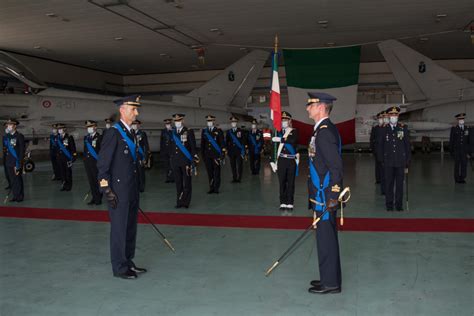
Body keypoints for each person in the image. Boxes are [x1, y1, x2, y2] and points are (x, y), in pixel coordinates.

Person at [97, 94, 146, 279]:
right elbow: (102, 166)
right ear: (122, 110)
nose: (136, 112)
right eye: (133, 109)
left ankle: (128, 262)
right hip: (117, 192)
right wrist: (106, 190)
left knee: (130, 227)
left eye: (136, 109)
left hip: (130, 189)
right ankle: (119, 267)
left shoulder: (130, 133)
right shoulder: (113, 133)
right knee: (119, 229)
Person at [306, 92, 343, 294]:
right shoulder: (321, 130)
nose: (307, 108)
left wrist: (332, 197)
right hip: (322, 195)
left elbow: (336, 168)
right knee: (324, 238)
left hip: (325, 197)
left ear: (321, 107)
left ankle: (331, 284)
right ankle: (328, 278)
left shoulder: (325, 132)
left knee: (327, 239)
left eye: (311, 105)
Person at [377, 106, 411, 211]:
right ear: (388, 116)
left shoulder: (402, 128)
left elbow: (407, 145)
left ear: (398, 116)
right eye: (392, 115)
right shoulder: (383, 130)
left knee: (400, 185)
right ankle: (389, 205)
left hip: (400, 162)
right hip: (388, 162)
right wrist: (381, 160)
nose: (394, 117)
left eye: (395, 115)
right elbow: (380, 146)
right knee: (389, 184)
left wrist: (408, 160)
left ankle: (399, 205)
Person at [272, 111, 299, 213]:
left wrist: (280, 139)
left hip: (291, 160)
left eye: (285, 120)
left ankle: (290, 202)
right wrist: (272, 161)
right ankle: (282, 202)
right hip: (282, 160)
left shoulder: (294, 131)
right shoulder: (277, 132)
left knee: (290, 183)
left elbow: (292, 140)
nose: (283, 122)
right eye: (282, 120)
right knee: (282, 182)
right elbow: (273, 148)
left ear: (289, 121)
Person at [170, 113, 199, 208]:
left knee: (187, 182)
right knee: (178, 183)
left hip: (186, 161)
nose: (177, 122)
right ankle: (179, 201)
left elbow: (193, 147)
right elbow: (171, 148)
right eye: (176, 121)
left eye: (179, 121)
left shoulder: (188, 131)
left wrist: (193, 159)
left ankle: (186, 202)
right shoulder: (172, 132)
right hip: (175, 162)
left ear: (182, 121)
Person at [201, 115, 226, 194]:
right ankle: (211, 187)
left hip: (216, 155)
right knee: (210, 172)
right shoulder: (204, 131)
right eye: (208, 121)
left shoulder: (218, 131)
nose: (209, 122)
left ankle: (216, 188)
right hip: (208, 155)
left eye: (210, 121)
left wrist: (222, 153)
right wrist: (203, 155)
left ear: (214, 121)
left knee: (216, 172)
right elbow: (202, 144)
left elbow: (222, 143)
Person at [4, 119, 25, 202]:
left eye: (10, 125)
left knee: (17, 179)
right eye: (7, 125)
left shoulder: (19, 136)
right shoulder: (8, 136)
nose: (8, 126)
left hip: (16, 162)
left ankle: (20, 196)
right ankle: (15, 195)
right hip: (9, 162)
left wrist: (19, 164)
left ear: (15, 126)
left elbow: (21, 151)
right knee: (12, 180)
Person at [83, 120, 102, 205]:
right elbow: (85, 151)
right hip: (88, 163)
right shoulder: (86, 138)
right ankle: (94, 197)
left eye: (91, 126)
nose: (89, 128)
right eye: (88, 127)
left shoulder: (100, 137)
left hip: (96, 163)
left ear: (95, 127)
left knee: (98, 181)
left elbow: (102, 151)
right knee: (91, 181)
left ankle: (98, 198)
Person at [55, 123, 77, 191]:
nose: (59, 130)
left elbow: (73, 148)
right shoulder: (58, 138)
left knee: (68, 173)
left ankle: (68, 186)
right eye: (58, 129)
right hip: (60, 158)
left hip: (67, 158)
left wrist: (73, 157)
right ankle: (63, 185)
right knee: (62, 172)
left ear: (64, 129)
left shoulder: (69, 137)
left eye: (60, 129)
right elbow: (57, 148)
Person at [449, 113, 470, 183]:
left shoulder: (467, 128)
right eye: (460, 119)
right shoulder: (454, 129)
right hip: (457, 151)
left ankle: (462, 178)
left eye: (463, 119)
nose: (461, 120)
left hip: (464, 151)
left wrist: (469, 152)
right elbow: (451, 140)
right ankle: (457, 179)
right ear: (457, 120)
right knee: (457, 165)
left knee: (464, 165)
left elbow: (469, 141)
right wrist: (451, 151)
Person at [226, 116, 247, 183]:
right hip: (231, 151)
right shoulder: (228, 132)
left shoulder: (240, 131)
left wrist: (243, 151)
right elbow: (227, 142)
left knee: (239, 165)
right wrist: (227, 150)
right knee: (233, 165)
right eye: (232, 122)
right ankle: (234, 178)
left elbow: (243, 141)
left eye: (234, 122)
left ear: (236, 122)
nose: (233, 123)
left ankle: (239, 178)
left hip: (239, 151)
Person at [132, 120, 150, 192]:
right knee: (134, 172)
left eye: (136, 124)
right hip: (133, 156)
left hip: (140, 156)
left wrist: (145, 157)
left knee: (141, 172)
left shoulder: (142, 133)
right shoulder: (130, 133)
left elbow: (146, 146)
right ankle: (135, 186)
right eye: (133, 124)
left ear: (139, 125)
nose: (135, 125)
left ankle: (141, 187)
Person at [370, 111, 384, 184]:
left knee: (384, 166)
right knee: (378, 165)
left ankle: (384, 178)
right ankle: (378, 179)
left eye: (382, 118)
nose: (380, 119)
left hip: (384, 150)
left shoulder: (386, 128)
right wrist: (372, 149)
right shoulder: (375, 128)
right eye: (379, 118)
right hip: (377, 150)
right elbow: (372, 138)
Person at [160, 118, 174, 183]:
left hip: (172, 150)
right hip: (165, 151)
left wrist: (170, 131)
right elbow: (161, 141)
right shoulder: (163, 131)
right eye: (166, 124)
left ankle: (173, 178)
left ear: (171, 124)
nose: (167, 125)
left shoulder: (173, 130)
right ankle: (168, 178)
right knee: (166, 165)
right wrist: (161, 151)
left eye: (168, 124)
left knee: (172, 165)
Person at [2, 122, 11, 190]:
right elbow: (4, 146)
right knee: (6, 171)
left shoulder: (12, 137)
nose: (6, 128)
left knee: (11, 172)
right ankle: (10, 184)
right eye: (6, 127)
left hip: (10, 156)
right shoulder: (4, 137)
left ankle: (13, 184)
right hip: (5, 155)